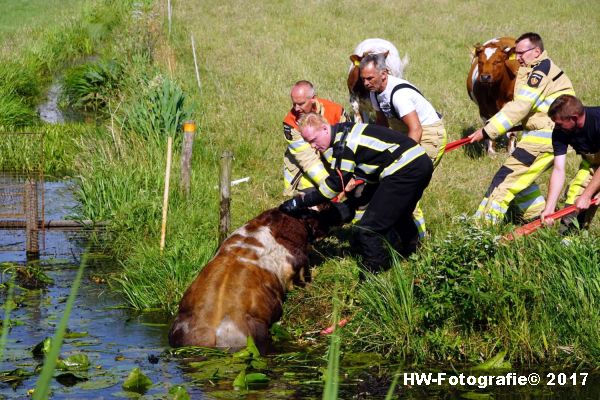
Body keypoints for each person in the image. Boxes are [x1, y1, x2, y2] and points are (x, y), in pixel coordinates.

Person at [279, 112, 433, 273]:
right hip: (419, 162)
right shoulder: (344, 130)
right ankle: (413, 256)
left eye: (313, 140)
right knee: (400, 215)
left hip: (406, 169)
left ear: (325, 129)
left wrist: (299, 202)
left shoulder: (342, 145)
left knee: (367, 230)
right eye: (308, 142)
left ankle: (373, 278)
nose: (312, 146)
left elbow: (333, 187)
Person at [468, 32, 575, 223]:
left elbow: (520, 106)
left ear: (536, 51)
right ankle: (537, 217)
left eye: (520, 54)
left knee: (505, 180)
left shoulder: (540, 72)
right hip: (545, 133)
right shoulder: (535, 69)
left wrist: (487, 131)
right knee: (524, 182)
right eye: (515, 54)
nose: (516, 59)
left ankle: (482, 229)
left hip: (545, 136)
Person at [359, 52, 447, 237]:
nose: (366, 83)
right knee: (393, 183)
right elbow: (382, 125)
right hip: (404, 134)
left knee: (405, 185)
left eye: (370, 78)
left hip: (428, 135)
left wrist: (401, 159)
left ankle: (419, 239)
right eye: (363, 79)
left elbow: (416, 130)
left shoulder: (399, 95)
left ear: (384, 73)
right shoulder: (375, 92)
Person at [540, 95, 600, 231]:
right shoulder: (560, 131)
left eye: (560, 124)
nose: (556, 127)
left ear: (573, 118)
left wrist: (586, 195)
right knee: (572, 212)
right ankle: (570, 241)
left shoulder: (598, 121)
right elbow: (558, 169)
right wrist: (549, 207)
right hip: (593, 164)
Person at [282, 80, 348, 197]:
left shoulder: (336, 111)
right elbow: (308, 160)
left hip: (336, 165)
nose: (296, 109)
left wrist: (344, 180)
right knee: (312, 204)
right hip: (305, 172)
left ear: (313, 99)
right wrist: (330, 188)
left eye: (301, 104)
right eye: (294, 104)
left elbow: (347, 148)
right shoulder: (290, 123)